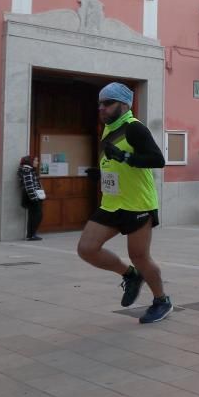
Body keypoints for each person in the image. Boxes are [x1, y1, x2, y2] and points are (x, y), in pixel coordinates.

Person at [76, 82, 172, 324]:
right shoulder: (108, 129)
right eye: (100, 104)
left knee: (140, 256)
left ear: (124, 104)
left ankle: (162, 300)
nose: (102, 108)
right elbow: (115, 162)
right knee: (86, 248)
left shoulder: (134, 128)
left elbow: (157, 159)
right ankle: (130, 275)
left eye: (108, 103)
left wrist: (125, 157)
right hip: (112, 202)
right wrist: (101, 173)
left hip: (138, 204)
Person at [19, 156, 45, 241]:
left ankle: (31, 234)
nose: (37, 162)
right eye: (36, 161)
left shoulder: (29, 170)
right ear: (30, 162)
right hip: (32, 197)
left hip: (32, 196)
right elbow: (29, 185)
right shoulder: (27, 171)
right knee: (37, 215)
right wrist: (35, 198)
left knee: (34, 216)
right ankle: (31, 234)